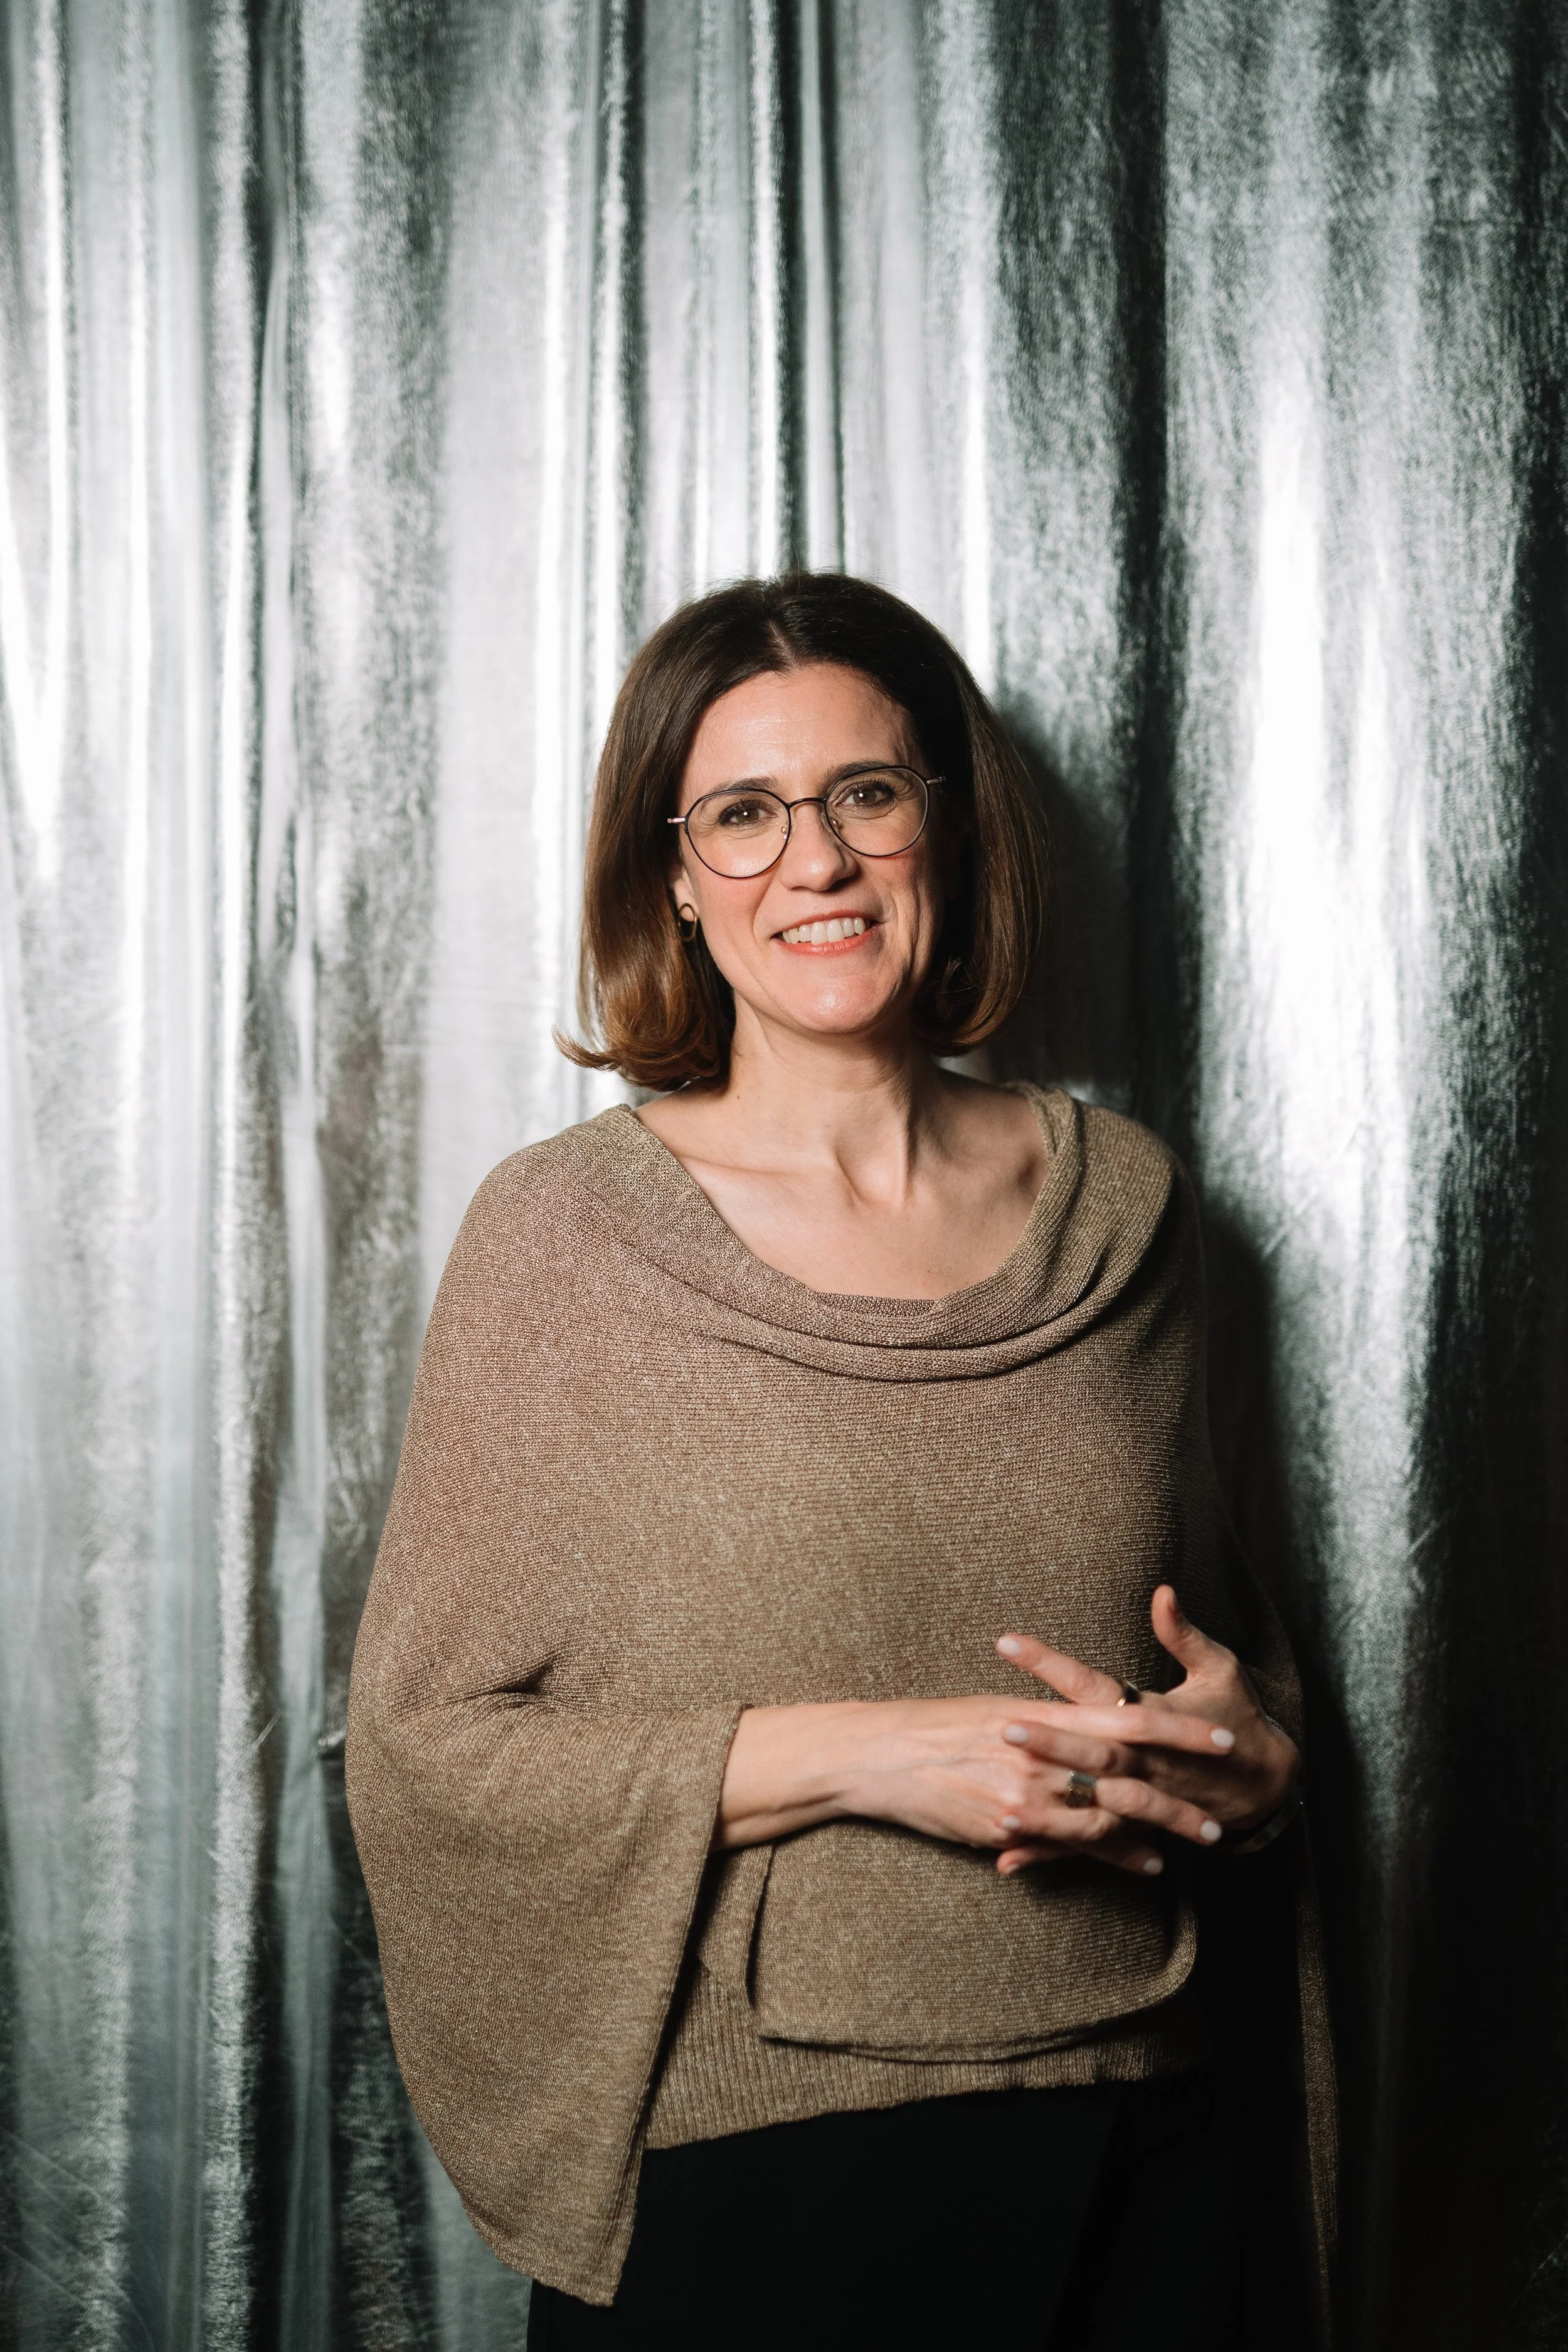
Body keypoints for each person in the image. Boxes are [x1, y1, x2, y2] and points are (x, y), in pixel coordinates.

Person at [346, 573, 1334, 2350]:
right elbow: (428, 1754)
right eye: (743, 811)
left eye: (867, 794)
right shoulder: (568, 1242)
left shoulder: (1131, 1208)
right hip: (767, 2168)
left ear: (946, 825)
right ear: (673, 870)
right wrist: (879, 1756)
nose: (815, 860)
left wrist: (1248, 1754)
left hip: (1147, 2127)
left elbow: (1209, 1629)